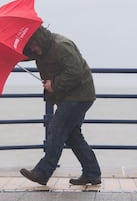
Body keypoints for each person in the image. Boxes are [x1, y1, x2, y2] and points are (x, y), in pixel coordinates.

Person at [20, 26, 101, 186]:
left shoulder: (61, 46)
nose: (32, 49)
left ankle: (42, 173)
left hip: (79, 95)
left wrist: (54, 85)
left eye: (33, 45)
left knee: (56, 128)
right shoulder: (41, 49)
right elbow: (26, 55)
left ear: (40, 41)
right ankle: (92, 173)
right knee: (72, 136)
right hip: (71, 96)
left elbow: (75, 71)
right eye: (30, 47)